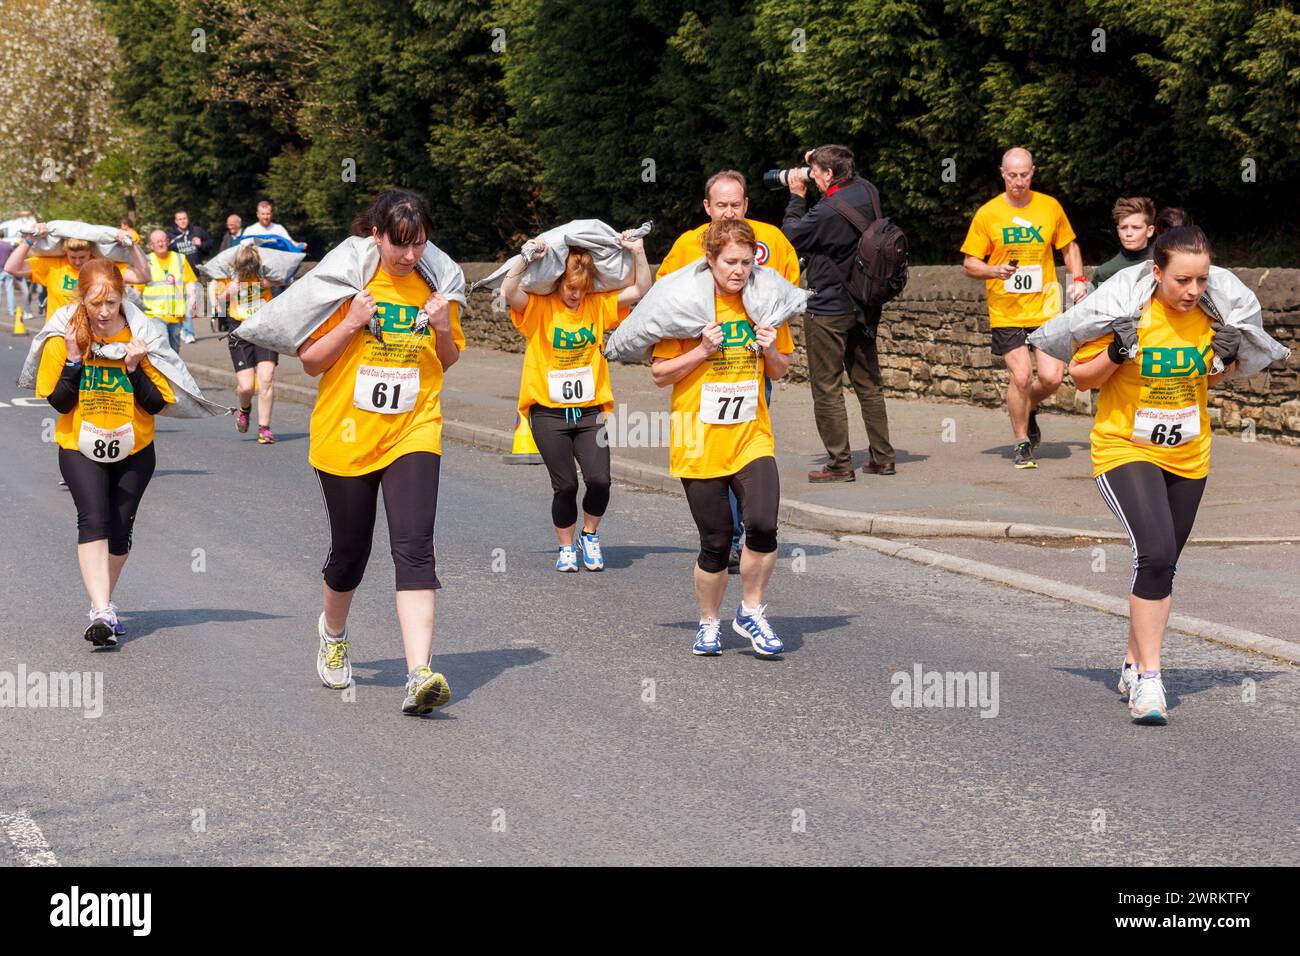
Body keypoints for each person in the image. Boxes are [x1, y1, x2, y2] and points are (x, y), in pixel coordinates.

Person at [296, 188, 465, 716]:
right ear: (376, 234)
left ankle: (418, 673)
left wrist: (441, 327)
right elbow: (309, 361)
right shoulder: (348, 281)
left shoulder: (435, 286)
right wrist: (350, 322)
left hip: (413, 430)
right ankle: (333, 632)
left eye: (418, 244)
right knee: (351, 553)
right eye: (399, 244)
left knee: (415, 546)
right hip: (345, 434)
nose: (409, 255)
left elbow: (449, 357)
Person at [1068, 225, 1239, 725]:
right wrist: (1117, 352)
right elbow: (1079, 378)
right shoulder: (1127, 309)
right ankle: (1150, 681)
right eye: (1183, 280)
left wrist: (1224, 361)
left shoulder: (1210, 316)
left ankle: (1130, 662)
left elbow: (1209, 377)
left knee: (1159, 565)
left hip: (1188, 455)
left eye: (1202, 280)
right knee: (1157, 551)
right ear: (1157, 272)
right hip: (1125, 448)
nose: (1193, 291)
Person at [651, 219, 795, 657]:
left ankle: (751, 610)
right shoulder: (685, 307)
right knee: (715, 543)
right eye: (730, 262)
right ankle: (709, 621)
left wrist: (769, 348)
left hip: (752, 437)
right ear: (710, 260)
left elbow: (782, 369)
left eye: (747, 262)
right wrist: (700, 350)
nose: (739, 271)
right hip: (699, 441)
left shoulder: (763, 303)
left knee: (764, 525)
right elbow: (659, 374)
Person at [660, 168, 799, 569]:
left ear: (746, 204)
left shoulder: (770, 237)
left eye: (735, 204)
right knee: (715, 451)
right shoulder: (688, 243)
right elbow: (666, 292)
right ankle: (727, 534)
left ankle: (745, 534)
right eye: (720, 205)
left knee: (748, 448)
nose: (728, 212)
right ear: (707, 206)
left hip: (749, 362)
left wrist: (766, 326)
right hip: (702, 371)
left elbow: (786, 287)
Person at [33, 259, 175, 647]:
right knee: (92, 518)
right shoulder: (63, 337)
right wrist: (75, 361)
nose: (104, 311)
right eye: (96, 303)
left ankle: (104, 606)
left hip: (135, 448)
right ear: (82, 299)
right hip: (80, 446)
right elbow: (60, 404)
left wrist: (133, 366)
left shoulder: (142, 334)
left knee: (120, 530)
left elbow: (157, 403)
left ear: (122, 297)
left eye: (111, 302)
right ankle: (100, 610)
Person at [502, 230, 650, 571]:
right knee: (566, 484)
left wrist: (638, 252)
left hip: (589, 411)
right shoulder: (540, 307)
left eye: (582, 290)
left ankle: (590, 534)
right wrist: (525, 258)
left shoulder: (596, 305)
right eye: (570, 289)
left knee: (600, 480)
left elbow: (641, 289)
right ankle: (566, 546)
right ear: (558, 282)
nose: (575, 296)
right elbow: (509, 291)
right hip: (547, 414)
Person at [961, 147, 1087, 469]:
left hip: (1045, 307)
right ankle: (1021, 441)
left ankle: (1025, 407)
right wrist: (993, 270)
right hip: (1006, 309)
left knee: (1053, 378)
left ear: (1033, 173)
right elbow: (970, 263)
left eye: (1024, 175)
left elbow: (1069, 245)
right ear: (1002, 174)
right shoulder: (988, 214)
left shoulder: (1049, 207)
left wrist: (1079, 278)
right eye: (1012, 175)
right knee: (1020, 377)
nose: (1018, 181)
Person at [783, 144, 896, 483]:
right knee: (868, 384)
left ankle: (839, 464)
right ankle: (883, 458)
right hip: (863, 304)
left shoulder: (826, 211)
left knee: (827, 387)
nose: (811, 176)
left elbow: (791, 237)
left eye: (816, 171)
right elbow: (847, 174)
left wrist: (796, 196)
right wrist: (814, 159)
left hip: (828, 308)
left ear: (830, 174)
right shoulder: (867, 190)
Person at [4, 222, 148, 320]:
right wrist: (29, 240)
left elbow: (143, 276)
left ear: (90, 251)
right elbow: (11, 268)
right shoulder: (53, 264)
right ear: (65, 251)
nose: (77, 262)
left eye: (82, 257)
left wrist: (131, 246)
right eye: (72, 257)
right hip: (57, 336)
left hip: (93, 337)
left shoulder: (102, 266)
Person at [216, 244, 280, 443]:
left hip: (264, 328)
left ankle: (264, 429)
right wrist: (228, 292)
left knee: (266, 378)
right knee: (246, 387)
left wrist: (271, 282)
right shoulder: (228, 277)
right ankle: (244, 410)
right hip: (240, 330)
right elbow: (217, 303)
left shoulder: (264, 275)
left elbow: (287, 277)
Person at [142, 229, 198, 353]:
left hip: (175, 314)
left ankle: (173, 371)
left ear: (167, 242)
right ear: (151, 245)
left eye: (163, 241)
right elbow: (137, 289)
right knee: (163, 347)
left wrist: (192, 299)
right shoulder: (145, 262)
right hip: (154, 314)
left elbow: (189, 282)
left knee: (174, 350)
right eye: (157, 242)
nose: (161, 244)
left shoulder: (180, 259)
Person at [166, 209, 213, 344]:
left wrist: (201, 244)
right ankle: (187, 332)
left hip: (194, 275)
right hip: (178, 276)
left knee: (190, 305)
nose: (183, 221)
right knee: (183, 305)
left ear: (188, 219)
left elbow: (210, 243)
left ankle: (185, 329)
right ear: (176, 221)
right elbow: (164, 253)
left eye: (184, 218)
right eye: (180, 219)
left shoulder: (197, 231)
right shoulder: (170, 236)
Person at [1091, 196, 1156, 289]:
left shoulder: (1165, 265)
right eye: (1123, 228)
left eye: (1136, 227)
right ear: (1118, 231)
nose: (1128, 234)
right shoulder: (1105, 273)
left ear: (1149, 231)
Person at [241, 200, 306, 251]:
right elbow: (243, 247)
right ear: (258, 214)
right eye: (263, 214)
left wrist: (300, 245)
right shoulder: (250, 230)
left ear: (271, 214)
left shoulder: (278, 228)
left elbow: (289, 242)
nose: (266, 217)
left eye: (268, 214)